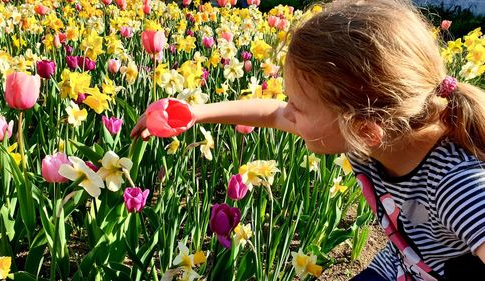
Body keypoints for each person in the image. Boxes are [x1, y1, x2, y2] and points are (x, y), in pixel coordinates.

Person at [132, 0, 485, 280]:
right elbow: (272, 114)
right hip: (398, 267)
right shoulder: (378, 135)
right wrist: (196, 113)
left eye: (297, 105)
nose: (288, 111)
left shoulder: (457, 187)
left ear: (364, 130)